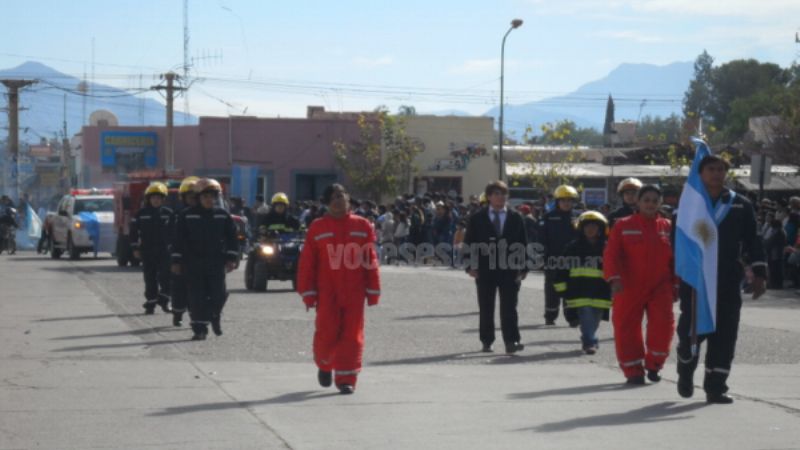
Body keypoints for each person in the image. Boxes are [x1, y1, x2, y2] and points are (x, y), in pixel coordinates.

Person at [675, 155, 767, 404]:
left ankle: (716, 387)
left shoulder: (740, 204)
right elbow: (678, 243)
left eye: (720, 169)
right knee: (690, 333)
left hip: (727, 280)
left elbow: (753, 240)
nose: (716, 173)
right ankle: (685, 370)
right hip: (695, 281)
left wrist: (759, 273)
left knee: (725, 335)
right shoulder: (690, 204)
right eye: (711, 169)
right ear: (700, 172)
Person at [296, 183, 381, 394]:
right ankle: (325, 365)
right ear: (326, 203)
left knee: (352, 335)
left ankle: (346, 378)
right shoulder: (317, 227)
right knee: (327, 332)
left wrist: (373, 289)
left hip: (355, 291)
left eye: (341, 196)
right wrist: (308, 292)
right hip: (328, 291)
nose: (338, 200)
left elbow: (370, 259)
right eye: (333, 197)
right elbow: (307, 263)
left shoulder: (363, 226)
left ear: (348, 199)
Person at [604, 185, 676, 385]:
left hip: (660, 286)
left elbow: (677, 259)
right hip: (628, 286)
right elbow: (612, 254)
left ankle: (654, 364)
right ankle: (633, 370)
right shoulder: (622, 225)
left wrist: (677, 285)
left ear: (660, 203)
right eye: (646, 200)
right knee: (626, 328)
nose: (650, 204)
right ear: (638, 202)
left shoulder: (668, 227)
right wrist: (614, 278)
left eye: (655, 200)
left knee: (663, 327)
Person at [463, 180, 528, 354]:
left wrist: (523, 266)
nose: (500, 197)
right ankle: (487, 341)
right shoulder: (477, 218)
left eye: (503, 194)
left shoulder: (515, 217)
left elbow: (523, 242)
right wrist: (470, 265)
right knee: (486, 306)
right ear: (489, 197)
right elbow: (469, 242)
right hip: (485, 268)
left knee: (509, 307)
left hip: (509, 268)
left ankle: (511, 341)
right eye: (496, 194)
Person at [171, 179, 239, 341]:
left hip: (216, 263)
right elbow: (178, 240)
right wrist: (176, 261)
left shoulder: (222, 215)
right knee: (196, 297)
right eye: (206, 196)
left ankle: (214, 316)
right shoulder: (186, 215)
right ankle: (199, 329)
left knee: (219, 295)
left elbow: (232, 238)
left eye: (212, 196)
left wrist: (231, 258)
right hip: (193, 263)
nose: (209, 199)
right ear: (199, 198)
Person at [555, 211, 611, 355]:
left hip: (601, 290)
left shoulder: (608, 248)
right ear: (581, 228)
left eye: (594, 226)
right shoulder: (572, 247)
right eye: (587, 226)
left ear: (600, 229)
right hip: (579, 290)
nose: (590, 229)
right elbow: (561, 269)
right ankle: (589, 342)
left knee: (595, 318)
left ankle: (589, 336)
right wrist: (561, 288)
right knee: (585, 314)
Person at [129, 182, 173, 315]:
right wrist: (135, 248)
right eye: (153, 198)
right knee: (150, 278)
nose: (156, 200)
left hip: (165, 251)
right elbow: (133, 233)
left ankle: (164, 300)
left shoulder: (169, 213)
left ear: (163, 199)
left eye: (159, 198)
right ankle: (151, 304)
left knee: (167, 277)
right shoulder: (141, 214)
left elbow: (175, 232)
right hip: (147, 251)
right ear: (148, 199)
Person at [539, 185, 580, 326]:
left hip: (573, 261)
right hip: (553, 260)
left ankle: (572, 317)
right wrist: (542, 257)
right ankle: (550, 316)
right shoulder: (548, 217)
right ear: (557, 201)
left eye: (570, 200)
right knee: (552, 289)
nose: (567, 203)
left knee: (572, 289)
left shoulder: (578, 218)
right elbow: (541, 239)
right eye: (563, 200)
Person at [170, 176, 199, 327]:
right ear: (183, 197)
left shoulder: (205, 213)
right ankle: (177, 313)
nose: (193, 199)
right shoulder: (177, 215)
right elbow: (172, 237)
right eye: (190, 197)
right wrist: (175, 258)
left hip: (199, 258)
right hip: (182, 257)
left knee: (197, 290)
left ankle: (196, 316)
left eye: (196, 197)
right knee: (179, 288)